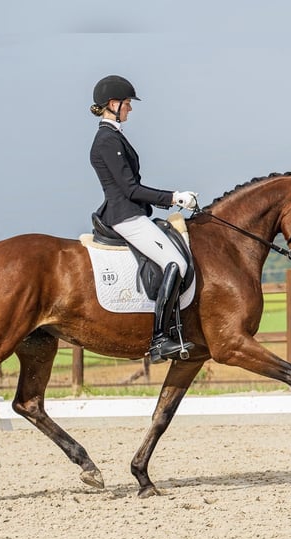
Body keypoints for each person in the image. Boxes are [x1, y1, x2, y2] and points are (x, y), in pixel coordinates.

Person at [89, 74, 197, 363]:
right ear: (113, 104)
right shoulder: (106, 140)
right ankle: (161, 338)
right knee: (176, 263)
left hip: (132, 214)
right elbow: (130, 189)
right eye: (127, 104)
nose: (130, 109)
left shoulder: (114, 136)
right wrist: (174, 198)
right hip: (125, 216)